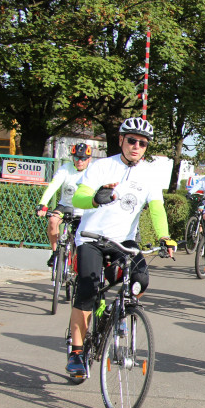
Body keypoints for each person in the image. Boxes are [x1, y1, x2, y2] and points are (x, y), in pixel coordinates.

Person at [65, 117, 176, 375]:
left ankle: (120, 309)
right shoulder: (102, 167)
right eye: (132, 140)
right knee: (87, 290)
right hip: (92, 238)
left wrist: (164, 236)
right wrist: (95, 198)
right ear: (121, 141)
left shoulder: (149, 174)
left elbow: (157, 209)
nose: (137, 146)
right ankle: (77, 352)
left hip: (123, 240)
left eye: (143, 143)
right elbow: (80, 197)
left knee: (140, 278)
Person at [36, 143, 92, 267]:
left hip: (84, 210)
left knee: (83, 239)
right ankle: (56, 252)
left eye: (83, 158)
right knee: (52, 221)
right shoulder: (65, 169)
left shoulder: (93, 171)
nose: (79, 161)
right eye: (77, 158)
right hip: (65, 206)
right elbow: (53, 186)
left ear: (89, 159)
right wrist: (43, 204)